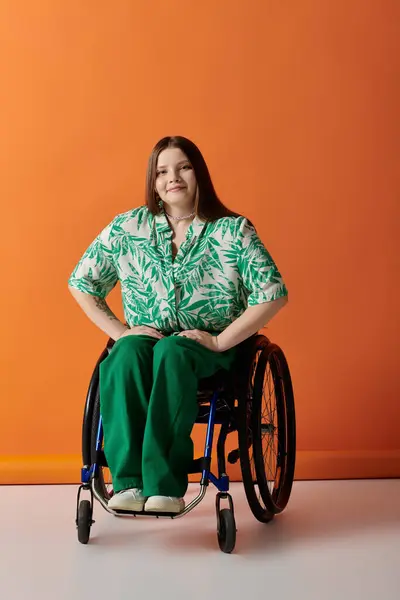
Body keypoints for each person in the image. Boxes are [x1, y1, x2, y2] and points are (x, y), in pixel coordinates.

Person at [68, 135, 288, 514]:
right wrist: (120, 331)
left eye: (183, 167)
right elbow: (81, 283)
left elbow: (273, 293)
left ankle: (165, 486)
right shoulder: (127, 229)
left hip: (207, 350)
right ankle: (129, 483)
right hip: (147, 342)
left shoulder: (232, 231)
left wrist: (220, 342)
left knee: (171, 352)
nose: (173, 178)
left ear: (198, 172)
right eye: (162, 171)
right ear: (153, 181)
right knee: (123, 354)